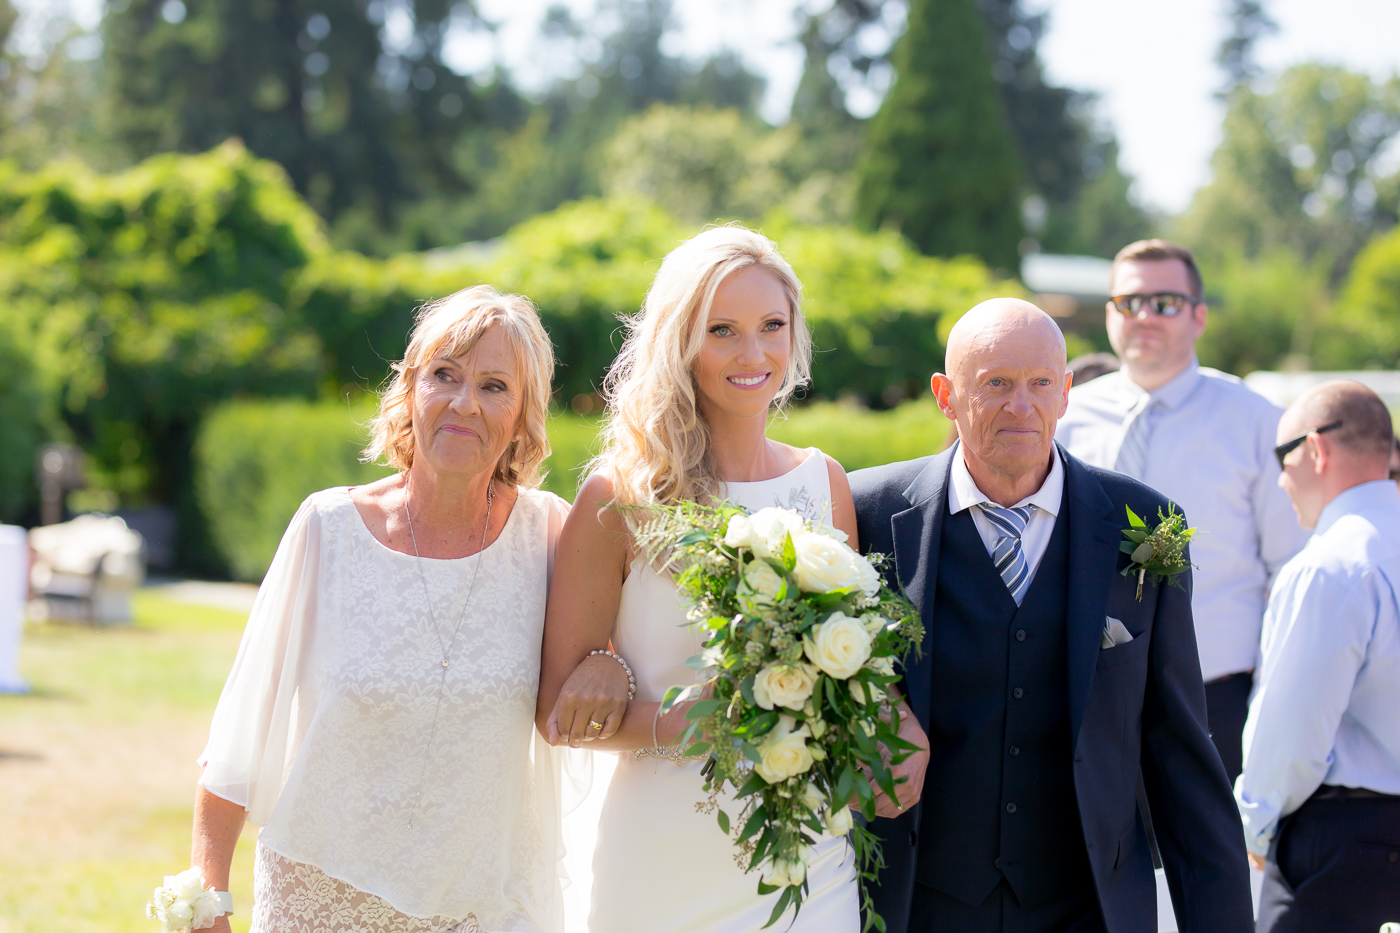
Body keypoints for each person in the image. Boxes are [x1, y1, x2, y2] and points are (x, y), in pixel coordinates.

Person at [535, 225, 927, 932]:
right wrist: (670, 721)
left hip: (807, 855)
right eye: (723, 330)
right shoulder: (620, 497)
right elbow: (559, 712)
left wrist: (895, 722)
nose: (755, 353)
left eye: (772, 326)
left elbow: (857, 661)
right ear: (680, 341)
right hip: (662, 857)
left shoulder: (823, 479)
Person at [850, 299, 1253, 933]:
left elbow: (1180, 753)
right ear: (945, 396)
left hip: (1088, 905)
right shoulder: (865, 513)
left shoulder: (1147, 527)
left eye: (1041, 383)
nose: (1022, 405)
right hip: (918, 902)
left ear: (1066, 393)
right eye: (996, 384)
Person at [191, 286, 571, 933]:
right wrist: (205, 898)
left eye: (494, 385)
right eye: (444, 375)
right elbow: (238, 738)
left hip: (485, 905)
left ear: (523, 414)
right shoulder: (326, 529)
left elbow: (602, 676)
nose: (463, 402)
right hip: (322, 896)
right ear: (409, 390)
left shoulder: (551, 536)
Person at [1056, 239, 1308, 786]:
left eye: (1165, 302)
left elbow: (1288, 569)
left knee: (1209, 862)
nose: (1144, 315)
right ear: (1108, 314)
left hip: (1215, 691)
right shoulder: (1064, 418)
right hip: (1088, 687)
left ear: (1199, 315)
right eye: (1129, 302)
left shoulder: (1257, 421)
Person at [1235, 380, 1400, 933]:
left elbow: (1292, 732)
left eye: (1283, 457)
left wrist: (1255, 825)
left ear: (1316, 449)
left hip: (1344, 848)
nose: (1280, 478)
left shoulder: (1331, 565)